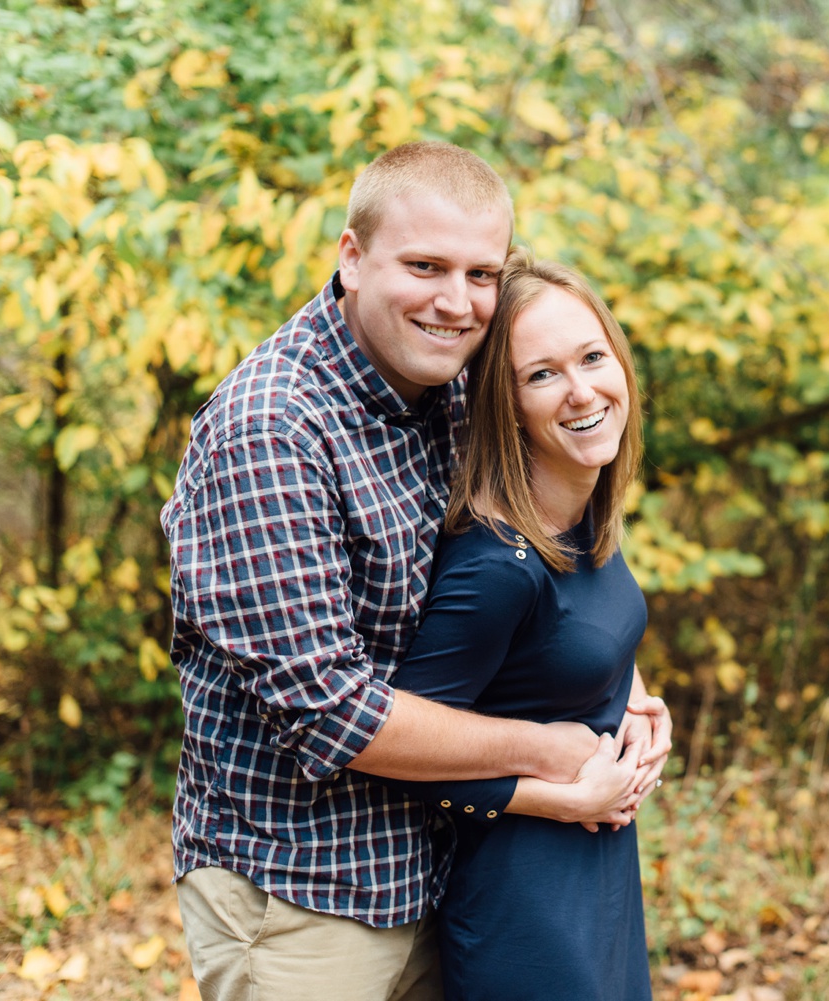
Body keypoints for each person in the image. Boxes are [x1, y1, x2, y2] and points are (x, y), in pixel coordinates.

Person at [160, 142, 670, 1001]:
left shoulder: (463, 384)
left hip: (446, 869)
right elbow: (331, 710)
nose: (457, 300)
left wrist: (619, 689)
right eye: (426, 266)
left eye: (481, 273)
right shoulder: (273, 430)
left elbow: (540, 571)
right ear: (351, 258)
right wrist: (554, 753)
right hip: (304, 892)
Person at [385, 247, 656, 1001]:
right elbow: (396, 759)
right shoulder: (497, 562)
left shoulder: (584, 509)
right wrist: (562, 797)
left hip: (597, 876)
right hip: (523, 905)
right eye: (542, 374)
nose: (581, 391)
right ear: (506, 407)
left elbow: (564, 646)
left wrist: (633, 696)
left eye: (592, 356)